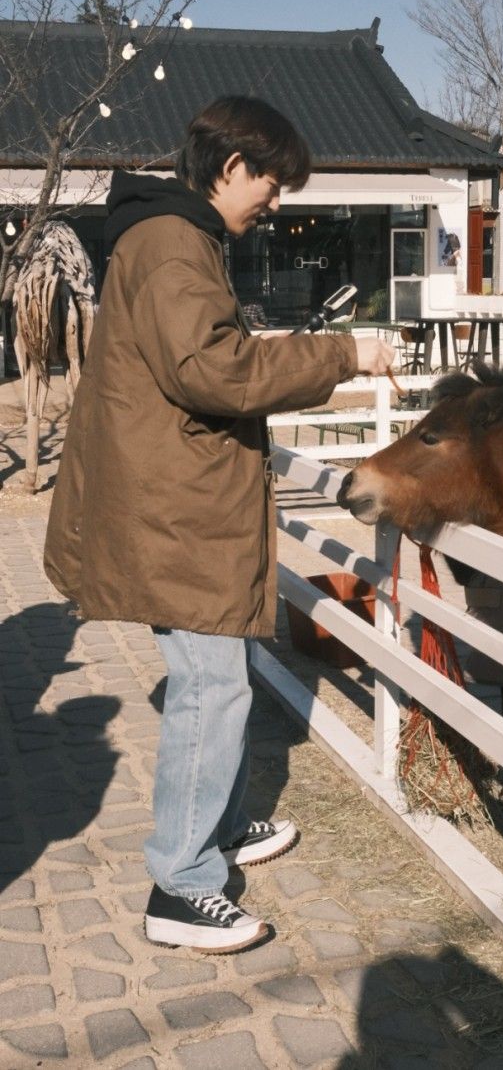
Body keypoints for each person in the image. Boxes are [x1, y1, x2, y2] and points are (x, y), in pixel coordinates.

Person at [44, 95, 395, 954]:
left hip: (178, 499)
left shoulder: (174, 236)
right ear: (231, 165)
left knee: (221, 671)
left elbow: (194, 359)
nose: (276, 202)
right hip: (177, 510)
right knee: (212, 685)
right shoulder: (172, 246)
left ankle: (222, 825)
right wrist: (344, 353)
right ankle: (183, 882)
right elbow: (213, 369)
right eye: (271, 184)